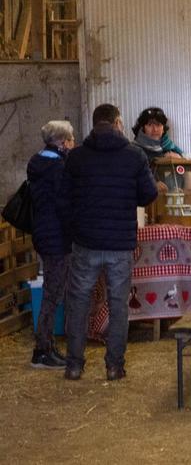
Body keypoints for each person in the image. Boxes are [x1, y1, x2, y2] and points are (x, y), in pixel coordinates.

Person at [58, 104, 158, 381]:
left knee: (78, 302)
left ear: (93, 124)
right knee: (118, 305)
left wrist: (76, 227)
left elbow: (63, 200)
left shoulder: (76, 157)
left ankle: (74, 365)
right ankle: (114, 366)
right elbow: (148, 194)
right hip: (119, 244)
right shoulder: (134, 155)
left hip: (85, 242)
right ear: (117, 123)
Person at [27, 121, 75, 369]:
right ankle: (42, 348)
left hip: (43, 233)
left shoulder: (36, 163)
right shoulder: (58, 168)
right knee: (53, 293)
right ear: (61, 142)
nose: (73, 143)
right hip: (57, 236)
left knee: (52, 291)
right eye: (70, 139)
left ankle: (46, 346)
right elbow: (64, 205)